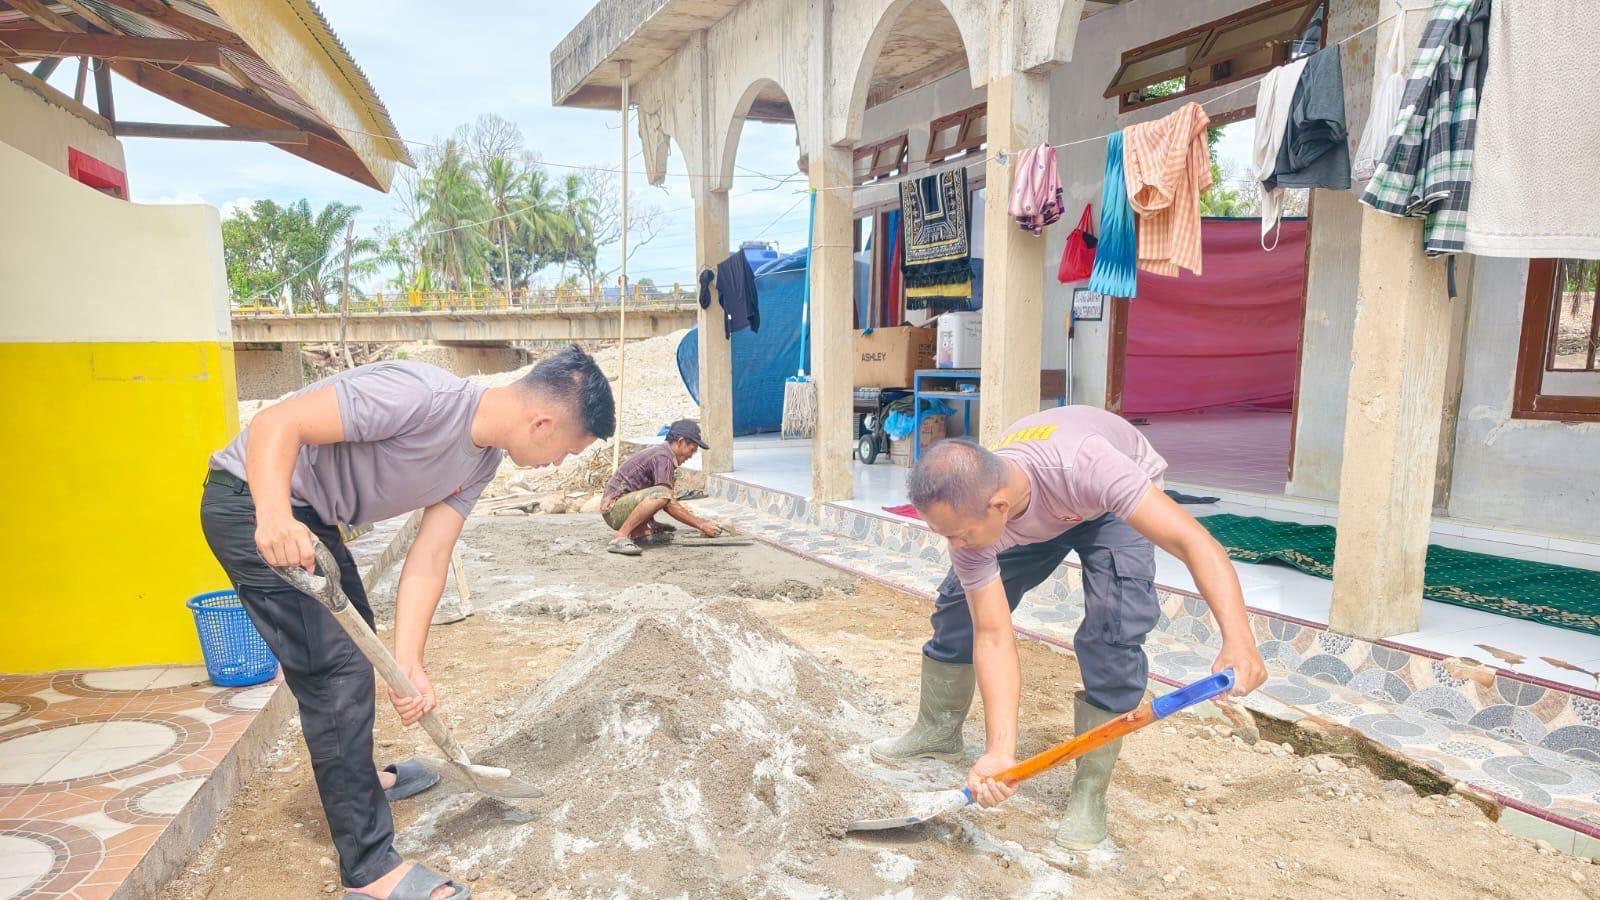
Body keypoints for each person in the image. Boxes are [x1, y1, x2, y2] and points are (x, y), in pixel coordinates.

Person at [200, 346, 614, 900]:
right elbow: (279, 422)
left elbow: (429, 557)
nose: (559, 464)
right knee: (337, 671)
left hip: (311, 517)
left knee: (359, 639)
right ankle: (370, 871)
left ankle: (359, 781)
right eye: (566, 450)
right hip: (250, 501)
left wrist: (411, 663)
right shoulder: (421, 395)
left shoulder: (481, 462)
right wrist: (272, 514)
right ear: (542, 423)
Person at [871, 406, 1267, 852]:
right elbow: (994, 634)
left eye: (960, 535)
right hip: (1037, 512)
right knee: (960, 609)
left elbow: (1193, 542)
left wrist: (1239, 638)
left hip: (1108, 508)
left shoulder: (1089, 465)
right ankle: (939, 729)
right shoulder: (974, 510)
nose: (955, 545)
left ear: (998, 506)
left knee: (1114, 627)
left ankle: (1090, 790)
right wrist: (1001, 750)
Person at [600, 419, 726, 555]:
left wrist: (652, 523)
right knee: (662, 493)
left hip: (621, 507)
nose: (691, 455)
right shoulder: (663, 457)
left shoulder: (663, 454)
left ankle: (640, 532)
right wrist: (701, 524)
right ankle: (620, 537)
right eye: (692, 449)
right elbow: (665, 498)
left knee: (662, 493)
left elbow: (647, 492)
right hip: (613, 511)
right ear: (681, 441)